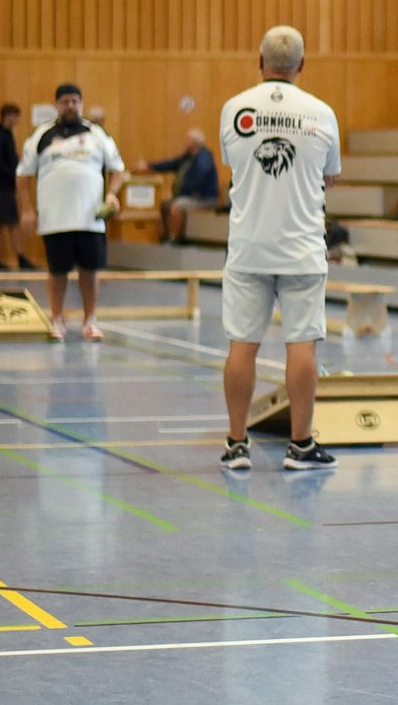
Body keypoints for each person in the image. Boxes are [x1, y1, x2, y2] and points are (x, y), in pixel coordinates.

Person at [216, 26, 343, 472]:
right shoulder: (321, 113)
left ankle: (237, 444)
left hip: (249, 246)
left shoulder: (234, 109)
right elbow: (330, 177)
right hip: (301, 247)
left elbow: (234, 165)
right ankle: (301, 445)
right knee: (302, 345)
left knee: (242, 345)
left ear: (260, 61)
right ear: (302, 65)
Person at [17, 84, 126, 342]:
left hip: (90, 218)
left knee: (90, 270)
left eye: (75, 101)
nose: (70, 106)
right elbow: (23, 175)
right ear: (57, 105)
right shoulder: (41, 135)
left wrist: (112, 194)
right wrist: (27, 210)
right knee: (58, 271)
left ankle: (90, 321)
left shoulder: (97, 134)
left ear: (81, 104)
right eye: (65, 101)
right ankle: (57, 319)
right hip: (54, 217)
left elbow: (118, 169)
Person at [140, 129, 220, 245]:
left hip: (204, 198)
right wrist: (150, 166)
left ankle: (176, 239)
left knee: (177, 206)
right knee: (165, 205)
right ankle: (167, 235)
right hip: (189, 196)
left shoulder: (204, 157)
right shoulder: (188, 158)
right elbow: (171, 164)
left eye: (187, 141)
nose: (185, 143)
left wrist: (186, 191)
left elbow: (200, 176)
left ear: (194, 143)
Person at [0, 103, 29, 271]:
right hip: (2, 184)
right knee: (12, 221)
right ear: (7, 116)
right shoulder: (0, 135)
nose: (16, 121)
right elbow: (0, 161)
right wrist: (14, 172)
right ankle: (20, 256)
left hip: (3, 183)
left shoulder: (5, 133)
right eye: (14, 117)